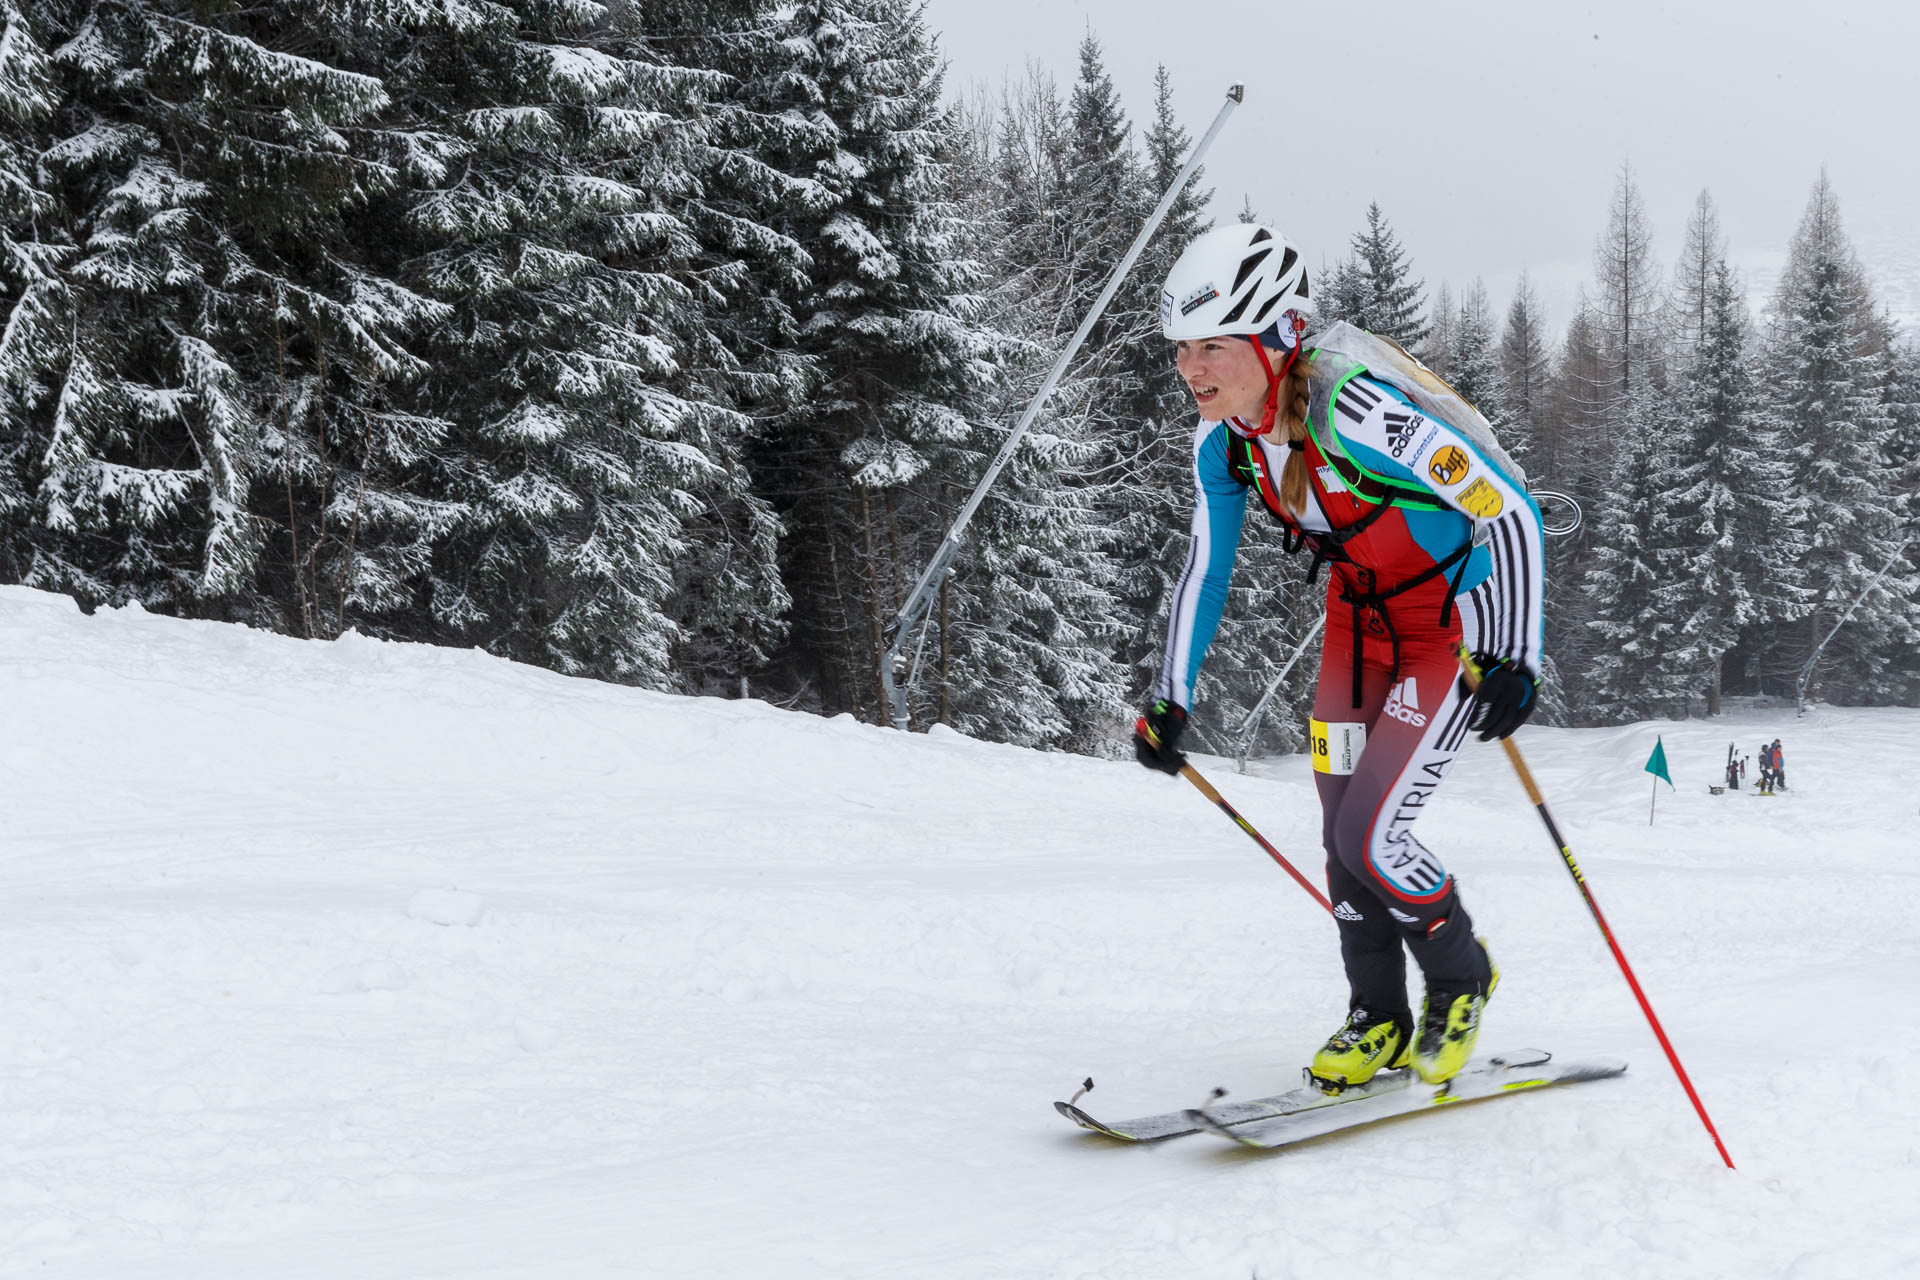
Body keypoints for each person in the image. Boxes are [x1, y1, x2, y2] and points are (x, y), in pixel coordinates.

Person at [1131, 224, 1546, 1089]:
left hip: (1445, 631)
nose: (1191, 368)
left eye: (1213, 345)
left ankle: (1462, 976)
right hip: (1358, 631)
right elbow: (1205, 571)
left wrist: (1514, 654)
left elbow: (1505, 510)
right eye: (1181, 349)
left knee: (1375, 833)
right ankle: (1377, 1016)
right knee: (1337, 835)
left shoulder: (1357, 410)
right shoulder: (1225, 444)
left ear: (1276, 335)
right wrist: (1172, 698)